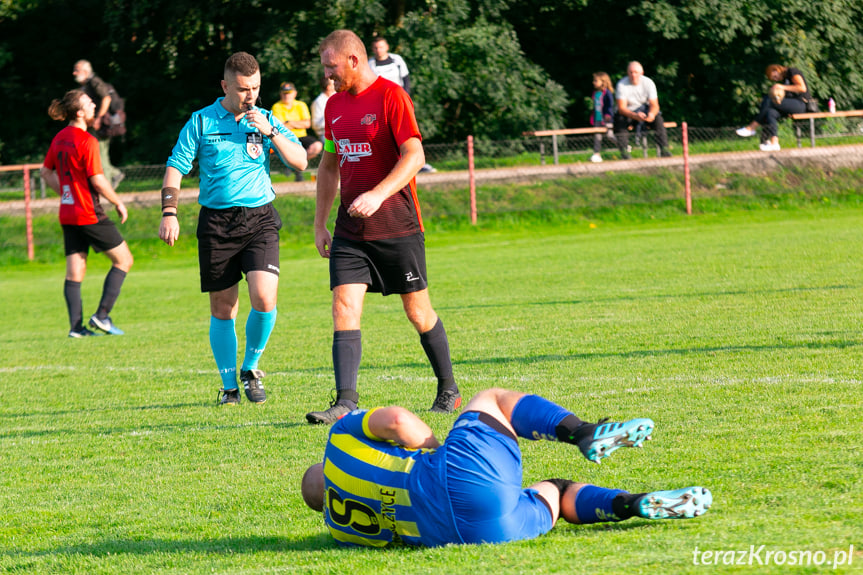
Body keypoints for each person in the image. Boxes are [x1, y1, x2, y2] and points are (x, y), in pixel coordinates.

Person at [301, 387, 712, 547]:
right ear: (322, 469)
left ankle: (632, 504)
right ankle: (582, 432)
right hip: (455, 477)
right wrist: (435, 448)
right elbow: (396, 421)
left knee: (556, 490)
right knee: (493, 401)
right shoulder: (337, 445)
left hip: (480, 534)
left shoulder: (340, 530)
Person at [307, 30, 460, 424]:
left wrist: (377, 194)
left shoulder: (392, 97)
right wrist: (320, 223)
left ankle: (448, 388)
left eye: (332, 67)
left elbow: (414, 155)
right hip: (349, 233)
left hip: (397, 226)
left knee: (418, 312)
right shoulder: (334, 106)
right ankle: (345, 401)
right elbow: (329, 165)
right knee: (343, 305)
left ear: (354, 60)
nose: (327, 76)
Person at [158, 52, 307, 405]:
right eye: (242, 89)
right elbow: (176, 166)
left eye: (255, 87)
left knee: (265, 298)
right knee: (224, 309)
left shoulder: (266, 118)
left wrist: (270, 132)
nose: (250, 95)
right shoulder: (201, 121)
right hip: (217, 223)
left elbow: (301, 160)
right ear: (225, 86)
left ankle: (251, 368)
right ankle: (228, 388)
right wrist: (169, 212)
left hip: (260, 219)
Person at [41, 90, 134, 338]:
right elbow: (98, 180)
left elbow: (45, 172)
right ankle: (102, 316)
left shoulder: (59, 138)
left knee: (74, 273)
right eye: (89, 103)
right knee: (124, 260)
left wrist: (65, 193)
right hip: (88, 212)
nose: (94, 105)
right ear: (80, 113)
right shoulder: (86, 140)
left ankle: (76, 328)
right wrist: (118, 202)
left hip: (68, 213)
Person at [368, 36, 435, 173]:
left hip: (398, 102)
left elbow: (406, 80)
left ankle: (418, 162)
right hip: (380, 106)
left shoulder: (397, 60)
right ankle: (391, 164)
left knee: (409, 132)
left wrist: (405, 99)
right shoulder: (371, 64)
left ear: (386, 47)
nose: (378, 50)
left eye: (381, 47)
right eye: (375, 48)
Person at [72, 60, 125, 188]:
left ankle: (106, 188)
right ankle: (115, 174)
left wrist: (99, 118)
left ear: (85, 72)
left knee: (99, 156)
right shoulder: (85, 85)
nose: (74, 73)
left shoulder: (94, 82)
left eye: (76, 70)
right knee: (97, 155)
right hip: (94, 125)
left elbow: (107, 98)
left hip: (100, 125)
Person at [736, 64, 812, 152]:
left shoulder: (792, 71)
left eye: (775, 76)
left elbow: (802, 88)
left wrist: (781, 87)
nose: (776, 80)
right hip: (792, 105)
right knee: (770, 112)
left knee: (769, 100)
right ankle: (774, 143)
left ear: (776, 70)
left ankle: (752, 127)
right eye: (773, 79)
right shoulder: (784, 79)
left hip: (801, 104)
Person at [613, 61, 672, 160]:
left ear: (641, 73)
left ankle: (664, 149)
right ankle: (624, 152)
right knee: (620, 121)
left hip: (645, 112)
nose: (633, 75)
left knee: (658, 119)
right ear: (627, 73)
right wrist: (635, 116)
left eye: (636, 72)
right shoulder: (621, 85)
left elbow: (654, 105)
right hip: (628, 114)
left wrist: (651, 115)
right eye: (631, 72)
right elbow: (621, 108)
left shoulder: (649, 83)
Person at [271, 81, 323, 180]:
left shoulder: (301, 105)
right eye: (284, 93)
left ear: (294, 93)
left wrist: (289, 122)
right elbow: (280, 128)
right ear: (280, 94)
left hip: (302, 136)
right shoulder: (276, 106)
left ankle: (293, 165)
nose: (287, 95)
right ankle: (296, 168)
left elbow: (307, 124)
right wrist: (298, 123)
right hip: (286, 137)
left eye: (289, 92)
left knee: (317, 146)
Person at [589, 72, 616, 163]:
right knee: (597, 138)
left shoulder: (607, 93)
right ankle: (596, 155)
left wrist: (608, 114)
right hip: (597, 119)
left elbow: (610, 105)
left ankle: (623, 145)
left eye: (596, 81)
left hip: (606, 119)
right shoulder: (595, 93)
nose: (594, 82)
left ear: (603, 82)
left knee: (610, 136)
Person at [310, 76, 336, 142]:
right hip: (325, 135)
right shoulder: (318, 102)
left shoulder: (338, 97)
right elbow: (315, 125)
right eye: (333, 83)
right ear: (328, 87)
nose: (336, 83)